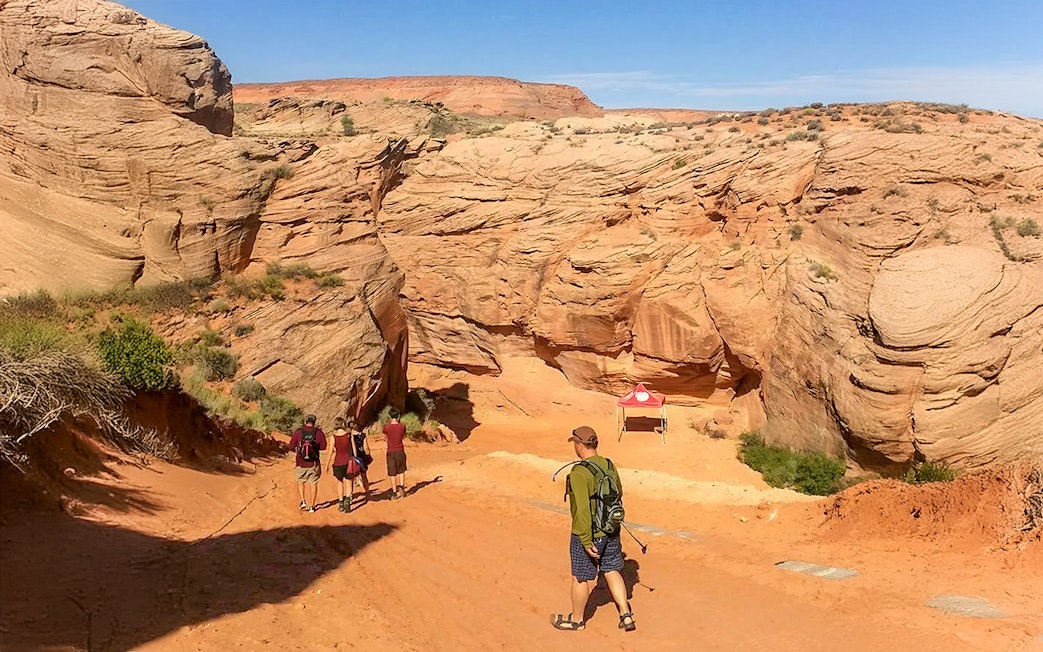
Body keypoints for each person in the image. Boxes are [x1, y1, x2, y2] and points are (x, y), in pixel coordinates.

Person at [551, 426, 635, 632]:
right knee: (612, 569)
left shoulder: (579, 472)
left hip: (589, 533)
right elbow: (619, 493)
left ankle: (577, 620)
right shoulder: (608, 464)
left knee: (580, 577)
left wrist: (586, 540)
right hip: (611, 528)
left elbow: (582, 511)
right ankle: (626, 615)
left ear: (579, 445)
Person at [289, 414, 327, 513]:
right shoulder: (318, 432)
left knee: (301, 481)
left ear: (305, 421)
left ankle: (303, 501)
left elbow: (291, 446)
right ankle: (312, 506)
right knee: (313, 483)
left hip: (301, 462)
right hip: (314, 463)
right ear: (314, 422)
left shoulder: (298, 432)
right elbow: (323, 447)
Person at [327, 417, 361, 513]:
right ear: (343, 424)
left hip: (338, 462)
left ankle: (341, 503)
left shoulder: (333, 437)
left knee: (340, 482)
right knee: (349, 482)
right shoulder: (349, 435)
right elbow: (354, 448)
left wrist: (327, 464)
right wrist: (356, 459)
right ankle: (347, 502)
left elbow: (330, 452)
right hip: (348, 461)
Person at [383, 408, 408, 499]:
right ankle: (401, 487)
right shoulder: (402, 426)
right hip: (400, 450)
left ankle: (394, 492)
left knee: (392, 473)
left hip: (391, 451)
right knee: (401, 470)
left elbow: (385, 438)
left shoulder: (386, 427)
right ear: (398, 416)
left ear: (390, 416)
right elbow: (403, 436)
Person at [352, 418, 374, 502]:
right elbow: (366, 448)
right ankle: (367, 493)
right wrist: (369, 456)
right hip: (361, 458)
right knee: (364, 476)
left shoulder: (350, 436)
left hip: (352, 458)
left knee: (350, 478)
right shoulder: (363, 435)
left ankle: (349, 496)